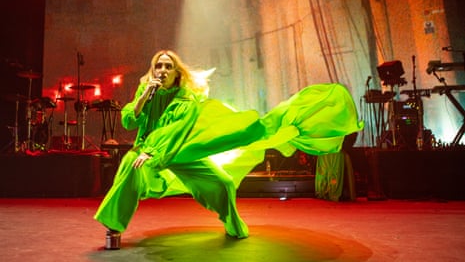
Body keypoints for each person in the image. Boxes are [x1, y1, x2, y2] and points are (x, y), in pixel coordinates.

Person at [94, 50, 364, 250]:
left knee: (221, 182)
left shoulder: (186, 99)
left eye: (168, 66)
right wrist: (142, 98)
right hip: (147, 150)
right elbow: (129, 119)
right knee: (130, 166)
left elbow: (175, 131)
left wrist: (153, 152)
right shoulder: (146, 91)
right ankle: (113, 228)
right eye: (158, 66)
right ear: (153, 71)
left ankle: (233, 225)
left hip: (178, 150)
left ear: (177, 73)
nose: (162, 71)